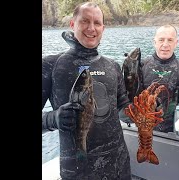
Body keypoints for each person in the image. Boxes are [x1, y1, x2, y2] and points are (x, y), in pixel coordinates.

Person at [42, 2, 132, 180]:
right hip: (78, 170)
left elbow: (121, 108)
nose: (92, 28)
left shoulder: (113, 66)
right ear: (72, 24)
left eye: (97, 23)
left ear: (103, 28)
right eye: (85, 21)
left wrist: (137, 112)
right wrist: (53, 118)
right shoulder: (51, 65)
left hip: (119, 163)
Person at [136, 24, 179, 133]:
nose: (165, 44)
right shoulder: (141, 65)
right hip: (141, 125)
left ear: (176, 43)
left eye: (170, 40)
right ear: (155, 42)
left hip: (168, 130)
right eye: (161, 40)